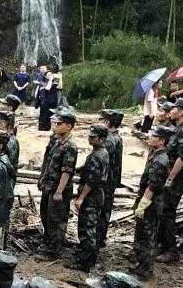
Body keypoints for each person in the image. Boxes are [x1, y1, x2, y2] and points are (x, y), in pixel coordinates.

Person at [156, 99, 183, 263]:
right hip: (169, 174)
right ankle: (163, 245)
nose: (170, 111)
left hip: (175, 177)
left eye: (174, 109)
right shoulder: (177, 129)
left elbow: (182, 158)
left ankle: (171, 250)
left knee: (168, 213)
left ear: (182, 112)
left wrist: (170, 178)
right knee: (163, 211)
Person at [68, 124, 111, 271]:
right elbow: (87, 170)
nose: (89, 139)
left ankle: (85, 262)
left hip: (92, 196)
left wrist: (80, 198)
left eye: (93, 137)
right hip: (97, 195)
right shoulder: (100, 152)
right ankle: (87, 257)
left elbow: (92, 180)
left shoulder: (98, 155)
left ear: (102, 138)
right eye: (89, 136)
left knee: (87, 229)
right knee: (89, 228)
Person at [133, 127, 172, 279]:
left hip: (151, 202)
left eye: (154, 136)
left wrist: (143, 204)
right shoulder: (154, 155)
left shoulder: (160, 160)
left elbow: (153, 186)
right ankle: (141, 265)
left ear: (162, 141)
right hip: (148, 199)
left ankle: (145, 270)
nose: (150, 138)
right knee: (142, 234)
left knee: (146, 236)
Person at [38, 111, 78, 259]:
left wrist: (59, 191)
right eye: (56, 123)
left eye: (59, 124)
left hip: (58, 189)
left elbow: (66, 171)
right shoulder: (57, 141)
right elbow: (48, 163)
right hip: (49, 186)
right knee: (46, 216)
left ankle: (54, 250)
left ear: (69, 126)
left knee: (56, 220)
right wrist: (42, 179)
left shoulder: (69, 146)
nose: (56, 126)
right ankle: (48, 242)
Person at [98, 110, 125, 247]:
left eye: (100, 120)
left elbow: (101, 162)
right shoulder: (117, 137)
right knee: (105, 211)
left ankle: (97, 239)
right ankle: (100, 238)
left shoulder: (108, 141)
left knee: (101, 212)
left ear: (107, 122)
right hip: (111, 180)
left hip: (105, 181)